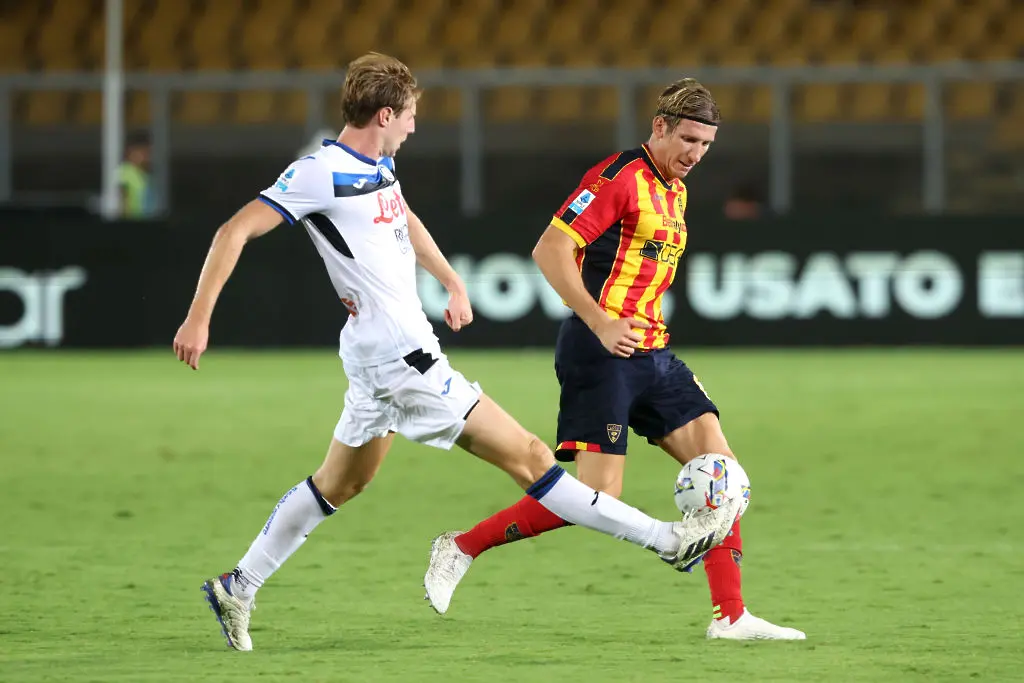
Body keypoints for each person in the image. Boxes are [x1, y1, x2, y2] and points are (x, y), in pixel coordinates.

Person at [172, 54, 740, 652]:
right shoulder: (319, 171)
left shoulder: (379, 164)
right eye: (410, 115)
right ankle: (667, 540)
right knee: (531, 458)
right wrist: (199, 317)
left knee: (340, 483)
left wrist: (449, 279)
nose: (414, 126)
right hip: (401, 359)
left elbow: (402, 217)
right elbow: (234, 230)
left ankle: (238, 585)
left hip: (375, 355)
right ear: (385, 115)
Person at [423, 79, 805, 641]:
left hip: (653, 352)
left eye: (706, 145)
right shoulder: (618, 177)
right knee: (596, 498)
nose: (696, 154)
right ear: (659, 126)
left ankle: (730, 616)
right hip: (599, 351)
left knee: (722, 475)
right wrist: (600, 322)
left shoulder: (675, 189)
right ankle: (461, 546)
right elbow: (549, 250)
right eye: (689, 140)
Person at [118, 130, 154, 219]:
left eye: (148, 152)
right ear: (129, 151)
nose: (146, 156)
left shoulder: (146, 174)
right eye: (142, 152)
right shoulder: (124, 172)